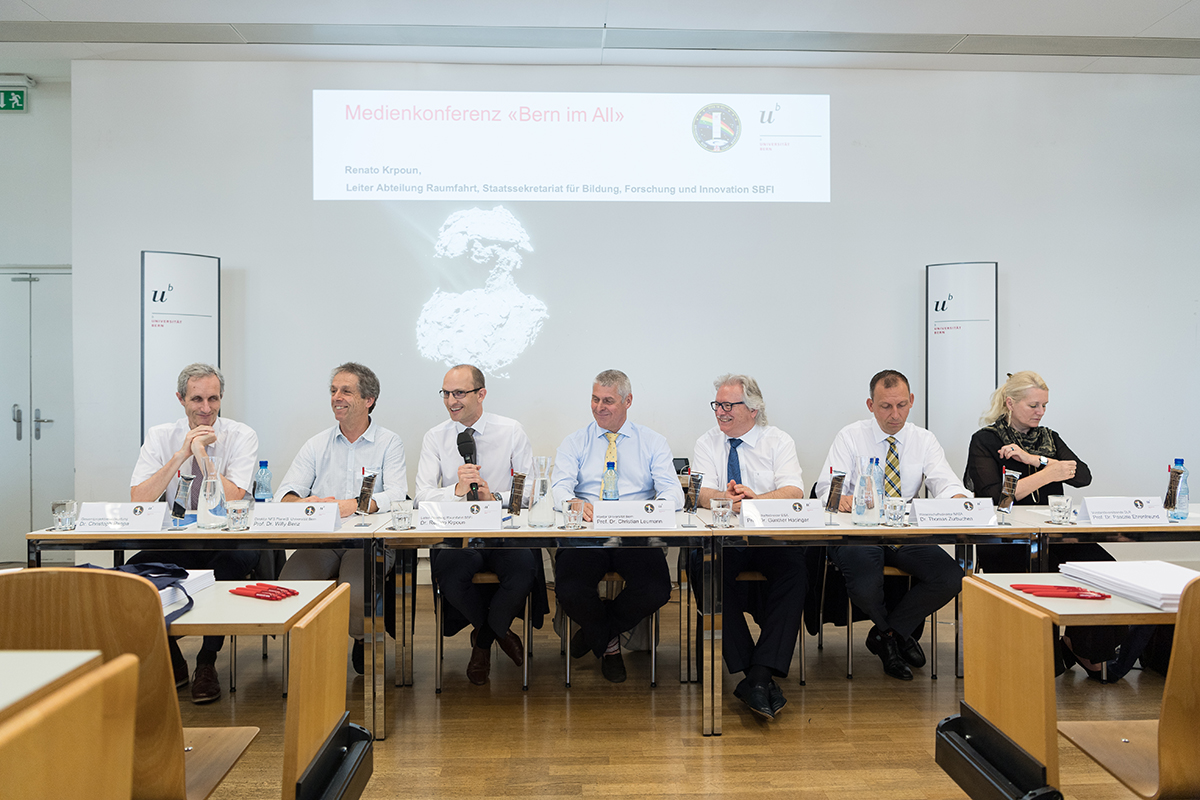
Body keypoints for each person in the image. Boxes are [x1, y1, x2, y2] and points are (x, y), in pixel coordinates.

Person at [964, 370, 1119, 678]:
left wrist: (1035, 460)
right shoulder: (985, 440)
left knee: (1105, 568)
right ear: (1010, 402)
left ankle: (1083, 645)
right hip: (1007, 541)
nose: (1041, 412)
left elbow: (1082, 476)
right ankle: (1045, 653)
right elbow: (996, 498)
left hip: (1054, 534)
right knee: (1037, 573)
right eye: (1033, 405)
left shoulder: (1048, 437)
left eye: (1044, 405)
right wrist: (1049, 473)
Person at [815, 369, 967, 681]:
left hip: (903, 531)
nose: (894, 414)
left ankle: (887, 636)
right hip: (859, 532)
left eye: (901, 405)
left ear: (911, 402)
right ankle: (894, 636)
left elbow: (946, 482)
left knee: (950, 576)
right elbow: (826, 487)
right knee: (866, 585)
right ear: (871, 405)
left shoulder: (923, 440)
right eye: (885, 406)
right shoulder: (851, 436)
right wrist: (839, 497)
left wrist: (959, 499)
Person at [129, 363, 259, 703]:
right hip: (178, 538)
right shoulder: (161, 436)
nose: (206, 409)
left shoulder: (241, 435)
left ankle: (207, 661)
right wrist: (181, 454)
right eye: (197, 399)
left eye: (213, 399)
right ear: (180, 399)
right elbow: (138, 498)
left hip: (231, 538)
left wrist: (203, 456)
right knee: (136, 573)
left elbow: (233, 498)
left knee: (227, 569)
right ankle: (172, 657)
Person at [551, 369, 684, 683]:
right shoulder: (575, 442)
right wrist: (573, 503)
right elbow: (558, 487)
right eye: (595, 399)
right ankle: (610, 642)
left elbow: (673, 494)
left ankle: (598, 631)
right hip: (588, 533)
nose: (599, 407)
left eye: (608, 401)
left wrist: (645, 510)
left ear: (628, 401)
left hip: (634, 532)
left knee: (656, 589)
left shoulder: (652, 442)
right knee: (569, 590)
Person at [415, 364, 544, 685]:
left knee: (524, 569)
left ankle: (483, 641)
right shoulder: (435, 437)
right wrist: (455, 491)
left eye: (459, 393)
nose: (450, 401)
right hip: (459, 533)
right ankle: (497, 633)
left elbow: (529, 489)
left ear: (481, 394)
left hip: (502, 531)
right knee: (451, 573)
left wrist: (494, 496)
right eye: (445, 393)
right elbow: (421, 497)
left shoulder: (510, 431)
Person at [276, 362, 406, 673]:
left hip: (368, 540)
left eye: (346, 391)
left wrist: (353, 505)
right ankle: (311, 645)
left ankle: (362, 640)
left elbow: (399, 494)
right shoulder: (316, 443)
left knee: (357, 592)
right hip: (322, 539)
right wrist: (304, 502)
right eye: (333, 390)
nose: (337, 397)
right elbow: (285, 493)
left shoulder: (389, 442)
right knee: (289, 586)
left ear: (368, 399)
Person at [690, 374, 806, 719]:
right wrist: (725, 498)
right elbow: (698, 492)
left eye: (729, 405)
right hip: (724, 536)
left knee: (796, 573)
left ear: (753, 409)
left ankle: (758, 675)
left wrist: (758, 499)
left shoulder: (777, 441)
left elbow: (794, 491)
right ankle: (754, 674)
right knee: (704, 571)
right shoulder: (707, 442)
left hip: (768, 535)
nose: (720, 413)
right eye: (717, 405)